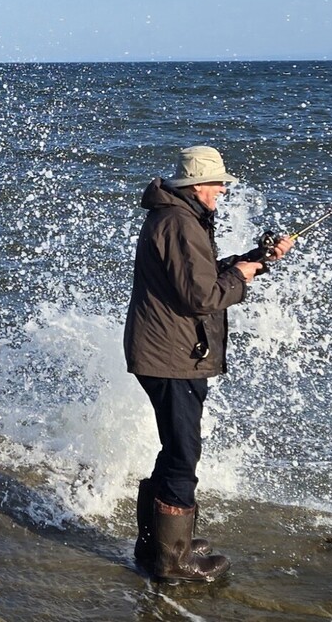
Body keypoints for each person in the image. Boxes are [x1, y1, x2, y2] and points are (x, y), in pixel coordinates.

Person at [123, 145, 293, 583]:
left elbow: (199, 274)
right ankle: (171, 562)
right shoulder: (179, 222)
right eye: (217, 184)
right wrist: (241, 277)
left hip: (167, 352)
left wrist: (256, 259)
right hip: (171, 356)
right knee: (183, 451)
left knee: (176, 446)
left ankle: (157, 543)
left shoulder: (178, 217)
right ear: (197, 186)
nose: (221, 190)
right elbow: (202, 296)